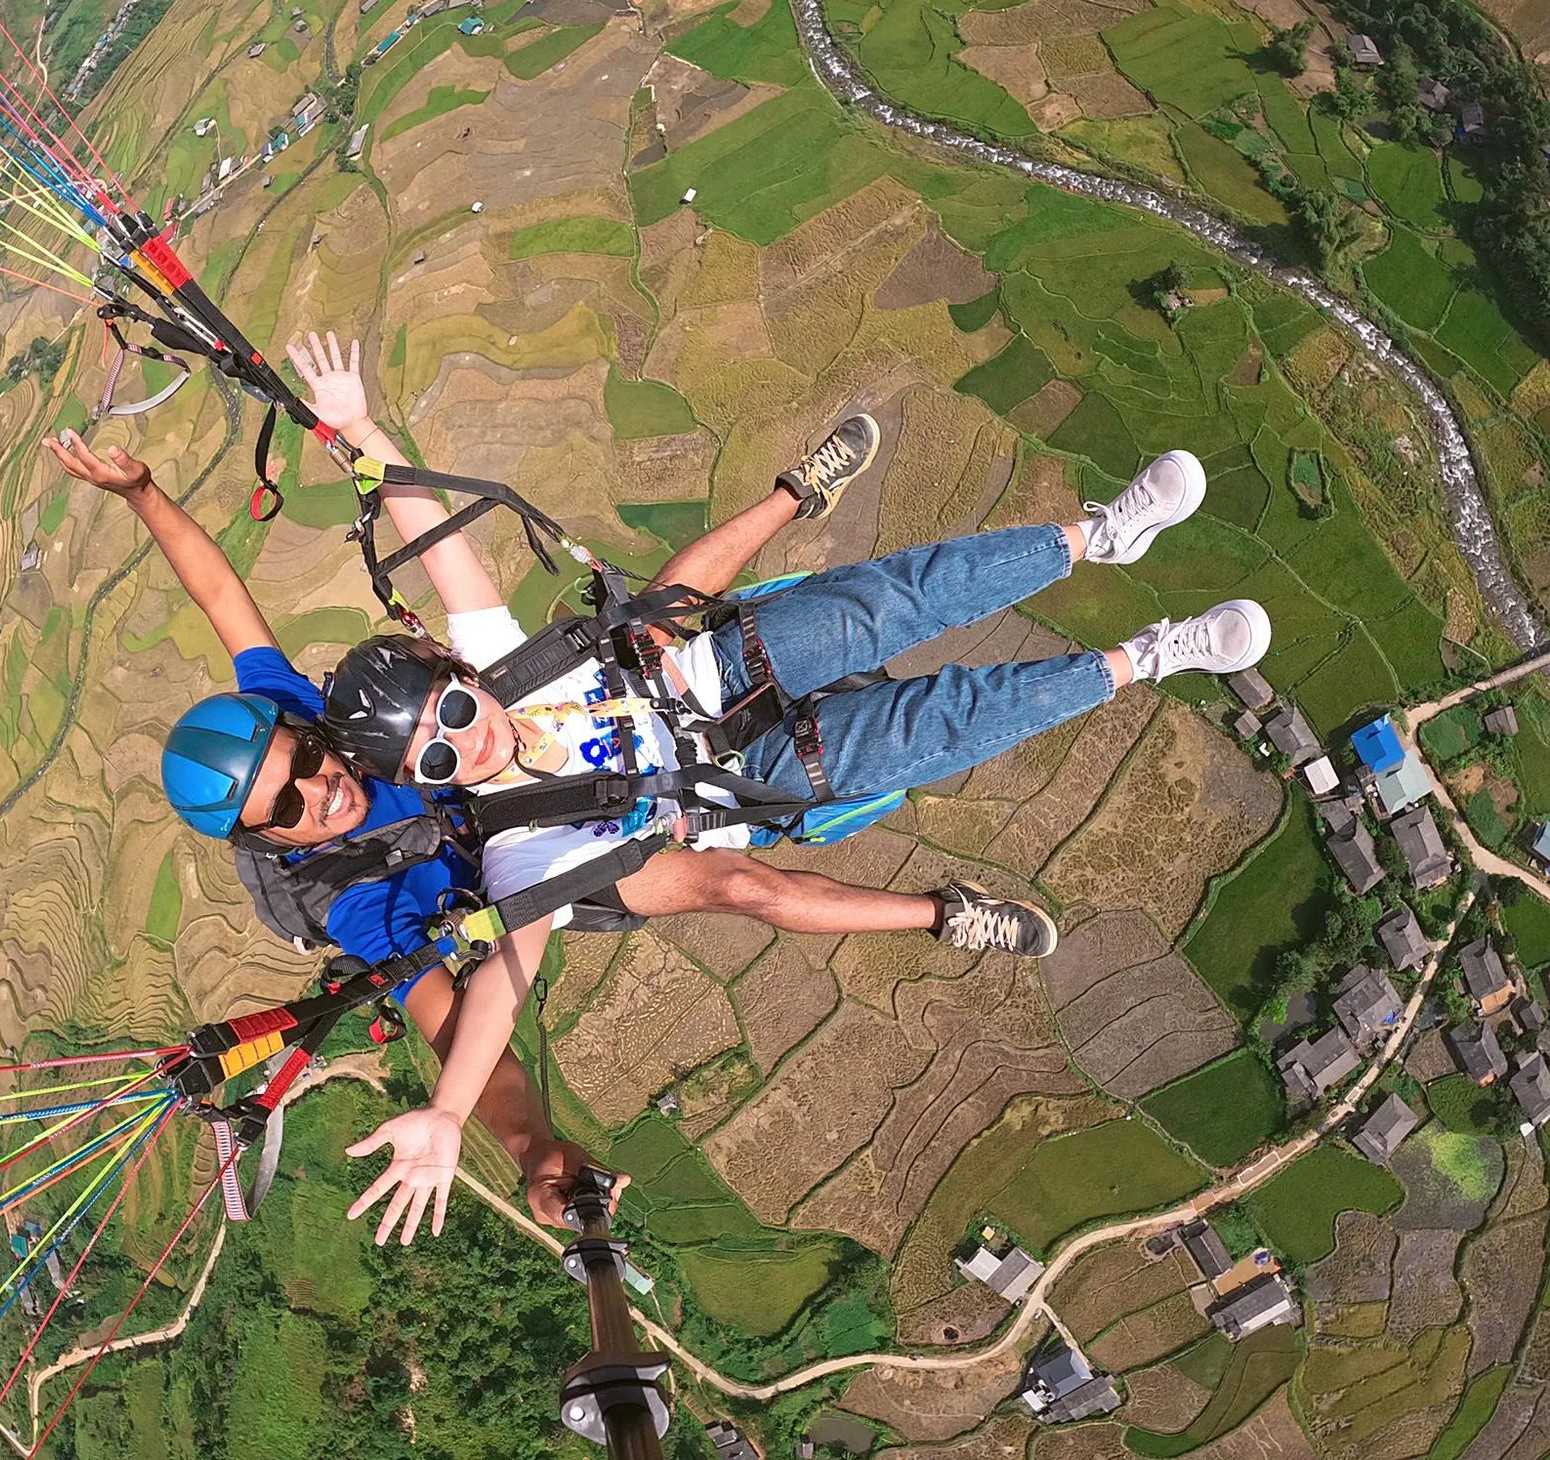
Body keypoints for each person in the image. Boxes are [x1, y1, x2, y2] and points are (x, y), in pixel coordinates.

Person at [38, 329, 1055, 1223]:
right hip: (558, 857)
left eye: (304, 760)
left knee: (638, 627)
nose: (321, 788)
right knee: (741, 885)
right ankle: (945, 915)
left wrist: (144, 494)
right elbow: (465, 1030)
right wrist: (528, 1150)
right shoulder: (355, 902)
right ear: (266, 837)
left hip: (516, 735)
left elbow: (223, 600)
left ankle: (795, 494)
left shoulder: (301, 723)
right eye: (291, 806)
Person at [316, 396, 1273, 1245]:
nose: (466, 742)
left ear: (458, 673)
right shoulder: (522, 851)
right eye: (435, 760)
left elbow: (440, 542)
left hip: (708, 672)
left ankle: (1100, 534)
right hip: (746, 791)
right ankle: (1151, 659)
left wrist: (360, 428)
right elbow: (506, 983)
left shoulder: (501, 660)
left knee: (883, 601)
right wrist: (451, 1111)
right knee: (946, 724)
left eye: (452, 710)